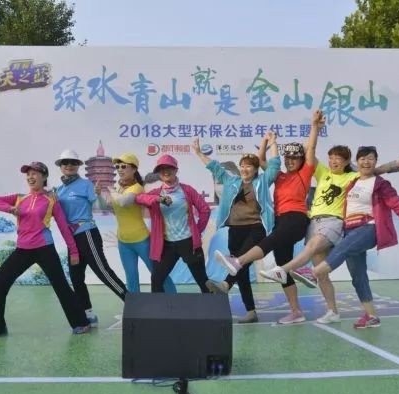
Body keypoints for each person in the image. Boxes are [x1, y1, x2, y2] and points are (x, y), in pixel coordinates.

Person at [258, 140, 399, 324]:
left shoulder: (362, 179)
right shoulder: (335, 175)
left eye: (338, 159)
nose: (334, 161)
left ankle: (287, 270)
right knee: (348, 275)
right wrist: (277, 142)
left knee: (327, 249)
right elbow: (309, 151)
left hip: (352, 225)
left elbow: (384, 174)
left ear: (347, 161)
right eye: (331, 158)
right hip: (332, 225)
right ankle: (349, 313)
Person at [213, 110, 323, 324]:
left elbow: (311, 149)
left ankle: (238, 261)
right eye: (288, 158)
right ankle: (296, 311)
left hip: (296, 218)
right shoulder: (279, 176)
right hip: (281, 221)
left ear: (302, 160)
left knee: (269, 241)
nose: (290, 161)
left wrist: (314, 126)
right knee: (282, 266)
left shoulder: (304, 173)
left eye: (295, 158)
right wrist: (266, 141)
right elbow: (261, 160)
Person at [0, 161, 91, 336]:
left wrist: (74, 251)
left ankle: (81, 323)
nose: (30, 177)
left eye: (34, 174)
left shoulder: (51, 200)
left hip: (44, 248)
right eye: (28, 174)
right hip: (22, 249)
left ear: (44, 176)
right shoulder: (20, 198)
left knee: (61, 286)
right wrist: (10, 209)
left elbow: (63, 227)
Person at [193, 133, 280, 323]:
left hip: (256, 228)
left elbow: (274, 165)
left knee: (239, 263)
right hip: (235, 230)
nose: (244, 169)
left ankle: (225, 284)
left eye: (248, 166)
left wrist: (273, 143)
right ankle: (251, 311)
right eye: (242, 165)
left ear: (256, 169)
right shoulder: (231, 181)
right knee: (242, 271)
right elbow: (214, 167)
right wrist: (199, 153)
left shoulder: (262, 181)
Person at [54, 149, 128, 327]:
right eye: (65, 163)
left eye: (73, 162)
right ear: (60, 166)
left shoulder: (86, 184)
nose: (69, 165)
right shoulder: (58, 190)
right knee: (76, 277)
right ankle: (88, 314)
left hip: (87, 233)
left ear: (78, 166)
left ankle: (132, 304)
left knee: (102, 272)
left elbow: (100, 205)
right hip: (72, 239)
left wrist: (99, 194)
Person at [136, 154, 211, 293]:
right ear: (159, 173)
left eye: (169, 168)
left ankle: (212, 306)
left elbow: (205, 210)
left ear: (176, 170)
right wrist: (158, 199)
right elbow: (139, 198)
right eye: (162, 169)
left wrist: (197, 231)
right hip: (166, 245)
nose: (166, 171)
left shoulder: (187, 190)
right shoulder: (156, 193)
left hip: (188, 242)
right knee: (156, 280)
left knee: (203, 280)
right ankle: (158, 307)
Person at [107, 153, 176, 293]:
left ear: (134, 169)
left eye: (124, 166)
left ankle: (174, 299)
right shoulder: (118, 188)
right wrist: (102, 196)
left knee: (158, 274)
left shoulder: (137, 188)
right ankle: (135, 305)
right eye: (117, 166)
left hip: (141, 240)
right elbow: (115, 210)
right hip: (123, 241)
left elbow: (124, 202)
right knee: (131, 277)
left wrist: (112, 192)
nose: (120, 169)